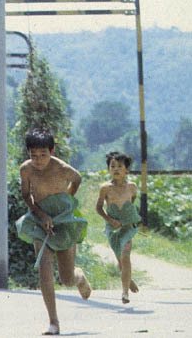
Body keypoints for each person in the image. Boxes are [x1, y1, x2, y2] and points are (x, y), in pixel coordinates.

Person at [16, 128, 91, 336]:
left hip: (63, 219)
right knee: (44, 267)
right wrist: (41, 215)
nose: (38, 160)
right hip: (39, 219)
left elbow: (77, 179)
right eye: (33, 155)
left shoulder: (63, 169)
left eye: (43, 155)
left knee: (67, 279)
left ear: (52, 151)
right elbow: (26, 196)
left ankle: (79, 277)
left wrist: (66, 201)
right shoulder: (26, 170)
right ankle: (53, 322)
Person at [96, 151, 141, 304]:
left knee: (125, 255)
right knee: (120, 258)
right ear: (108, 169)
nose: (116, 169)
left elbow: (131, 203)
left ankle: (125, 293)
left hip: (127, 226)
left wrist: (127, 219)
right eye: (112, 166)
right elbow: (98, 208)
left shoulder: (132, 187)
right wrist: (110, 220)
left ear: (126, 170)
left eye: (120, 166)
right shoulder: (105, 188)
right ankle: (128, 278)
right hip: (113, 228)